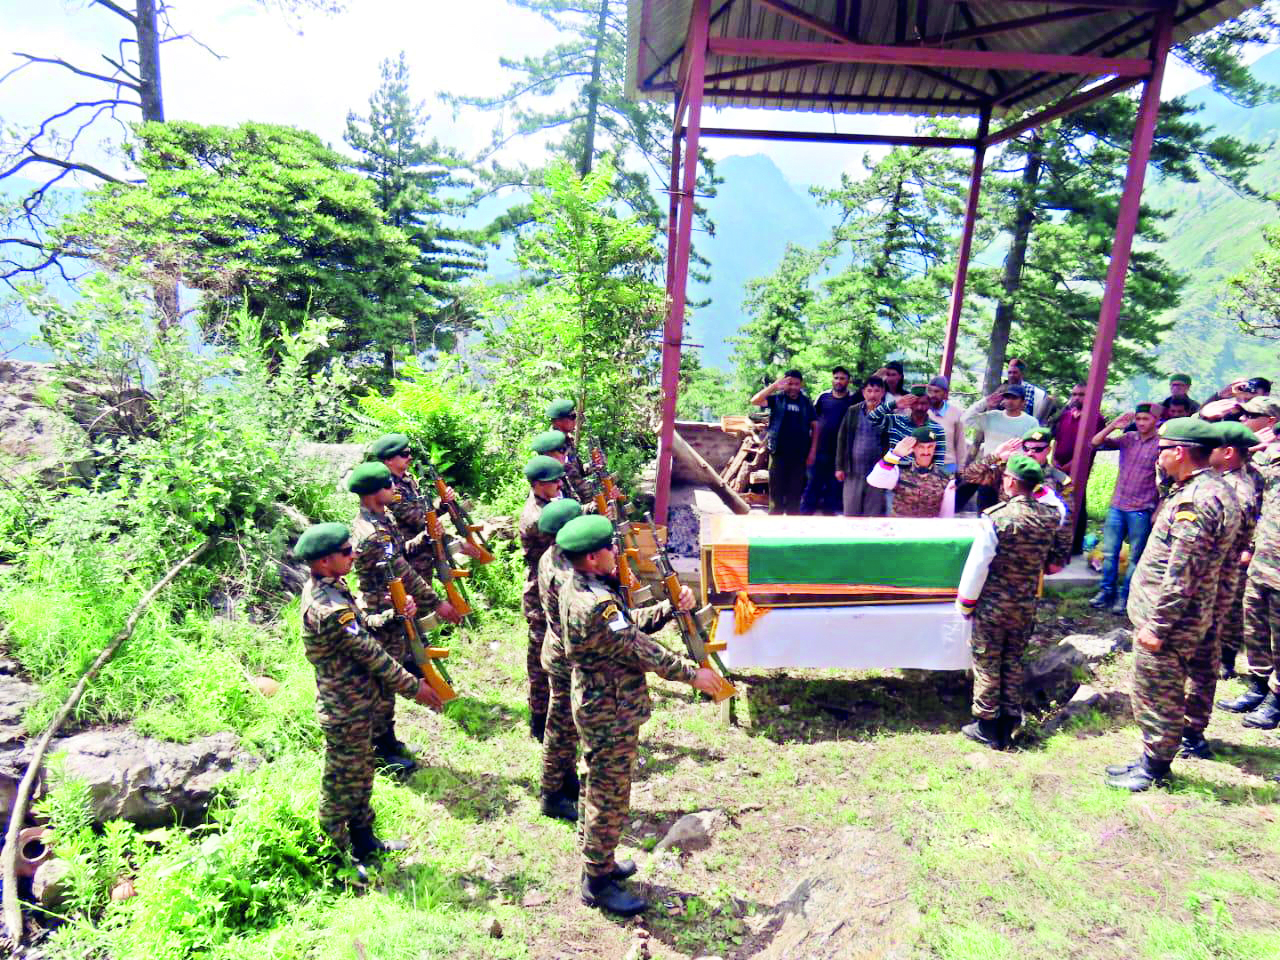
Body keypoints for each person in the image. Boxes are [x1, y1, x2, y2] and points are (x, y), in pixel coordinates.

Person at [557, 515, 720, 916]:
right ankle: (596, 883)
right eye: (609, 548)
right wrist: (691, 674)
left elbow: (627, 628)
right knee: (607, 795)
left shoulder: (582, 587)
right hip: (608, 709)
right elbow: (637, 647)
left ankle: (601, 861)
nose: (616, 552)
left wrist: (667, 608)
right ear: (593, 557)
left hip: (602, 703)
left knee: (598, 785)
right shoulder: (596, 604)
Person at [297, 522, 444, 871]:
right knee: (339, 787)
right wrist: (416, 687)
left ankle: (365, 842)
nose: (354, 555)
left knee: (362, 775)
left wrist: (395, 614)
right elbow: (372, 655)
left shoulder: (334, 588)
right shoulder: (329, 608)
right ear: (323, 562)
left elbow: (364, 626)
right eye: (346, 552)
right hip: (344, 708)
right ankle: (335, 859)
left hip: (360, 702)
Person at [1104, 419, 1238, 792]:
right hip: (1188, 614)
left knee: (1157, 691)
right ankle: (1150, 756)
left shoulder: (1196, 501)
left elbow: (1181, 575)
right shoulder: (1209, 488)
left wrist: (1157, 627)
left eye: (1163, 449)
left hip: (1170, 620)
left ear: (1179, 452)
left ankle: (1155, 767)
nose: (1158, 456)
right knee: (1161, 689)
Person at [349, 462, 461, 777]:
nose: (395, 488)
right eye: (388, 485)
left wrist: (426, 536)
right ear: (373, 494)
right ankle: (381, 751)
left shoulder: (382, 520)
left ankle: (389, 741)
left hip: (398, 609)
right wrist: (438, 604)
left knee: (392, 678)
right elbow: (403, 572)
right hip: (382, 613)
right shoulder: (371, 534)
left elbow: (404, 555)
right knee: (384, 685)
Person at [954, 455, 1062, 749]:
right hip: (1025, 603)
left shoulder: (997, 517)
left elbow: (979, 565)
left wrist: (965, 602)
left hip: (993, 603)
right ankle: (1011, 718)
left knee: (988, 660)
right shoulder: (1050, 516)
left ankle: (987, 725)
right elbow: (1060, 511)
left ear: (1011, 482)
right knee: (1012, 659)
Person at [1221, 431, 1280, 728]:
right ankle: (1259, 685)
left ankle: (1276, 699)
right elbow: (1232, 461)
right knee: (1255, 628)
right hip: (1263, 565)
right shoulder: (1272, 468)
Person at [369, 433, 482, 586]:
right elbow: (422, 522)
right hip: (412, 557)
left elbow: (426, 512)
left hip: (426, 549)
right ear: (389, 460)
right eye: (404, 454)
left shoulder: (407, 479)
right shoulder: (390, 490)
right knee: (424, 602)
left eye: (409, 452)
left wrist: (444, 501)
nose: (410, 457)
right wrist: (457, 543)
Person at [535, 496, 583, 822]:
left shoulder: (550, 557)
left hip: (557, 651)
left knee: (565, 727)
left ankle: (565, 779)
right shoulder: (564, 572)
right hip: (566, 659)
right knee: (561, 729)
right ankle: (551, 795)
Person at [1089, 403, 1161, 614]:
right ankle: (1106, 591)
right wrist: (1113, 425)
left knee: (1136, 556)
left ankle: (1125, 595)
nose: (1140, 423)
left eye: (1145, 419)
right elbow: (1095, 442)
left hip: (1141, 508)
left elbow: (1167, 481)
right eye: (1138, 419)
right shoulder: (1128, 439)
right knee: (1110, 553)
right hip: (1118, 505)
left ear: (1155, 421)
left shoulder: (1161, 445)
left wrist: (1157, 510)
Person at [519, 455, 567, 742]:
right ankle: (538, 718)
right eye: (554, 482)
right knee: (539, 660)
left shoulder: (547, 505)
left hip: (551, 588)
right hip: (539, 595)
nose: (560, 484)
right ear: (538, 485)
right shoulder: (537, 518)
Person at [750, 370, 818, 515]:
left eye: (796, 384)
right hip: (778, 453)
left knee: (795, 494)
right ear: (785, 384)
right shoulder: (777, 399)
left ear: (801, 385)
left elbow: (815, 427)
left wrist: (812, 452)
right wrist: (774, 386)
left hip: (799, 456)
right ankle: (775, 529)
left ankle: (792, 531)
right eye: (790, 383)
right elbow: (755, 401)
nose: (793, 387)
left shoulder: (806, 403)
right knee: (776, 494)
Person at [1048, 384, 1104, 552]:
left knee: (1077, 502)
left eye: (1081, 394)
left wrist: (1071, 465)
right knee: (1058, 502)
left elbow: (1090, 446)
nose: (1077, 397)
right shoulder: (1065, 416)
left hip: (1079, 468)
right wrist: (1055, 460)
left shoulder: (1096, 419)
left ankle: (1075, 546)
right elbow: (1056, 439)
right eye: (1074, 394)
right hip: (1059, 467)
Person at [800, 366, 857, 515]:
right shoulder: (823, 397)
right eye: (836, 378)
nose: (838, 381)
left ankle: (829, 520)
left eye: (842, 378)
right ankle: (803, 518)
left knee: (834, 488)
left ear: (848, 381)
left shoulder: (852, 400)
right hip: (819, 449)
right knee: (812, 485)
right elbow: (811, 420)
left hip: (840, 453)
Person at [866, 428, 955, 518]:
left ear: (935, 447)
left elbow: (947, 514)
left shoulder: (945, 477)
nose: (926, 452)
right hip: (900, 527)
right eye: (921, 447)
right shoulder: (899, 470)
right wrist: (894, 455)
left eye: (930, 447)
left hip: (928, 529)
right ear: (913, 448)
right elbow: (874, 480)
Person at [834, 375, 889, 517]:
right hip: (853, 471)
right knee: (851, 512)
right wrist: (839, 467)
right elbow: (842, 439)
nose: (873, 395)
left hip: (877, 472)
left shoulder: (888, 414)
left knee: (872, 513)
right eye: (869, 391)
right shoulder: (853, 411)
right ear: (864, 392)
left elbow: (891, 444)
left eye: (877, 391)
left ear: (882, 393)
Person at [547, 399, 595, 505]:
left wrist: (594, 465)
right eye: (572, 417)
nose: (575, 420)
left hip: (580, 497)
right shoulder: (553, 445)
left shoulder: (568, 440)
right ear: (558, 421)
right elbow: (568, 477)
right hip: (564, 500)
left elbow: (578, 471)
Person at [926, 375, 967, 475]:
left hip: (947, 465)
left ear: (945, 393)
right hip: (924, 464)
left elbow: (960, 443)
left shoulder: (956, 413)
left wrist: (961, 469)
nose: (932, 395)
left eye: (936, 391)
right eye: (930, 391)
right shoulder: (922, 410)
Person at [999, 358, 1055, 422]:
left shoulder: (1032, 391)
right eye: (1009, 373)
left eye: (1015, 372)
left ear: (1022, 374)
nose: (1011, 375)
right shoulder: (1002, 389)